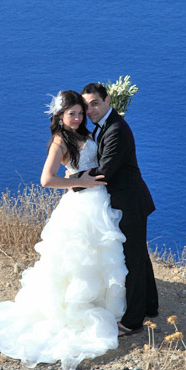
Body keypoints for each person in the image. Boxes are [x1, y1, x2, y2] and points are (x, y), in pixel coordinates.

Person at [0, 90, 128, 370]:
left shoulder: (85, 132)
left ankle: (100, 305)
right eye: (73, 114)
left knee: (99, 256)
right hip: (81, 204)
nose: (79, 117)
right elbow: (46, 180)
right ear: (60, 115)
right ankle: (75, 312)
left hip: (98, 202)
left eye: (81, 112)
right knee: (78, 259)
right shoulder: (60, 141)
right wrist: (80, 180)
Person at [79, 83, 158, 336]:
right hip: (127, 201)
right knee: (139, 256)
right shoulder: (105, 125)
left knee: (133, 261)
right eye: (86, 105)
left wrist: (72, 182)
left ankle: (133, 322)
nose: (90, 110)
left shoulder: (116, 130)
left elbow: (105, 171)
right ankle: (149, 306)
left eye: (95, 103)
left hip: (129, 203)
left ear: (107, 100)